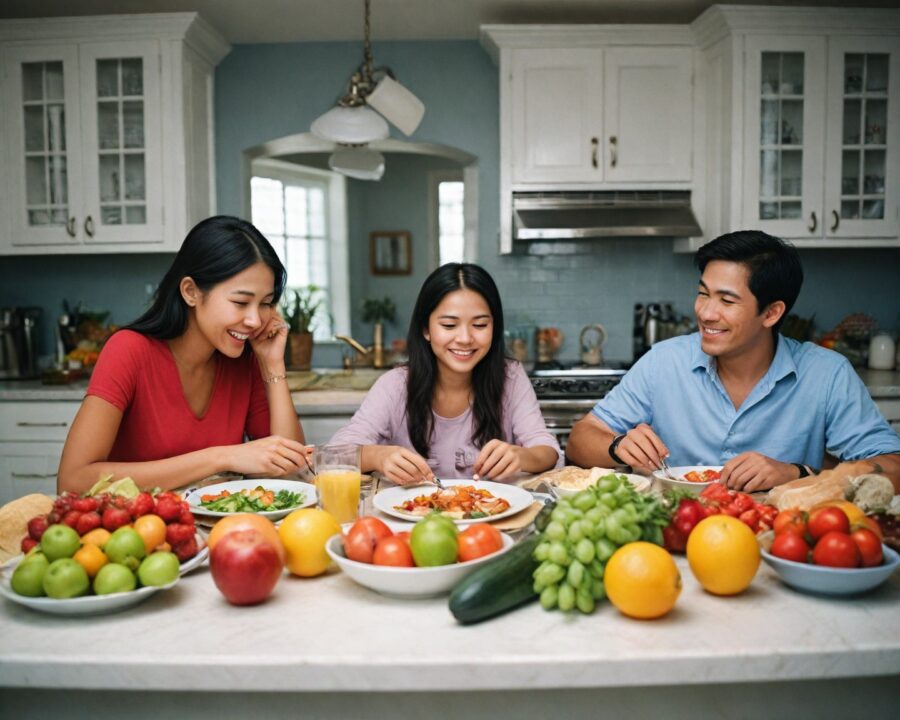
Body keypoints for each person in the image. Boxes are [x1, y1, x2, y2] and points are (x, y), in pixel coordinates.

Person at [566, 230, 900, 493]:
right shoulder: (664, 362)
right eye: (703, 293)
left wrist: (795, 472)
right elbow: (580, 440)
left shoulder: (826, 374)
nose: (706, 312)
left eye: (727, 300)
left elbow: (894, 466)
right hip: (674, 529)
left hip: (777, 538)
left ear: (771, 312)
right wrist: (616, 445)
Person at [58, 216, 311, 494]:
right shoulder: (128, 351)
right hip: (140, 530)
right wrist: (221, 457)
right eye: (240, 302)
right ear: (191, 292)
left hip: (214, 532)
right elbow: (72, 480)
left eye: (265, 303)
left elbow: (292, 471)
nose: (254, 320)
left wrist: (272, 365)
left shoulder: (244, 360)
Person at [330, 263, 562, 485]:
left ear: (495, 327)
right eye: (449, 326)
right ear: (426, 329)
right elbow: (333, 455)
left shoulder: (510, 377)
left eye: (480, 325)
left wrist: (522, 456)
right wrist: (377, 456)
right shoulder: (395, 384)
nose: (464, 338)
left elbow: (547, 450)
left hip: (491, 519)